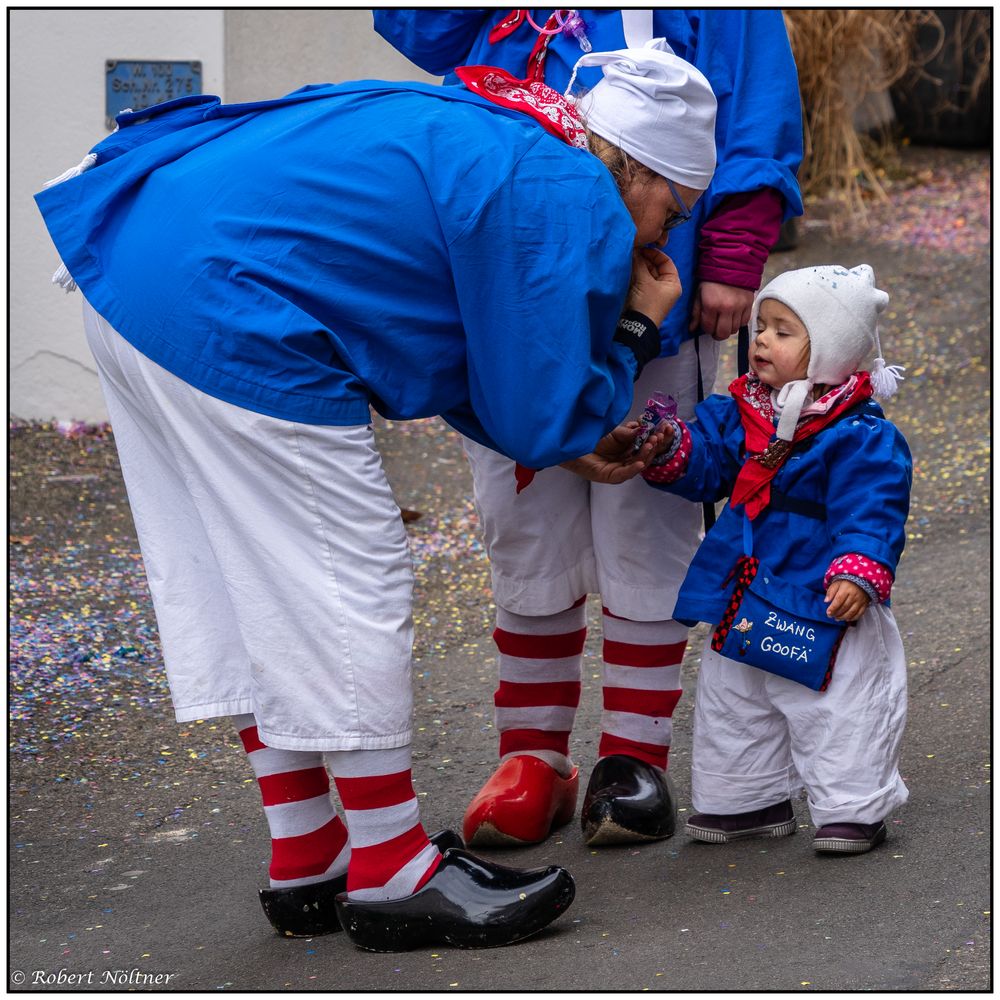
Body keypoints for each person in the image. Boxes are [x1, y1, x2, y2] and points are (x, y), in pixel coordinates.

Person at [33, 42, 712, 950]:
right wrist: (635, 329)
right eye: (676, 204)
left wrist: (563, 434)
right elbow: (544, 414)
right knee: (345, 578)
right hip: (233, 312)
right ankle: (392, 870)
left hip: (138, 272)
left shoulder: (499, 120)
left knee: (244, 582)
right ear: (638, 165)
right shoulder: (568, 188)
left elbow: (480, 360)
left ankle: (309, 856)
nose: (666, 233)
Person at [374, 8, 804, 848]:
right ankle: (530, 757)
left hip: (655, 274)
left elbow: (757, 101)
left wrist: (734, 253)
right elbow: (417, 27)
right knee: (523, 518)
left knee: (650, 504)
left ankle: (630, 760)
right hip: (511, 281)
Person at [641, 264, 910, 854]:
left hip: (822, 594)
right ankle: (743, 797)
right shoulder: (745, 411)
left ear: (832, 349)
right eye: (761, 326)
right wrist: (674, 447)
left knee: (838, 702)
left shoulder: (859, 434)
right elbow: (709, 460)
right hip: (748, 587)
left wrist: (859, 570)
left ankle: (851, 804)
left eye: (783, 331)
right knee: (734, 698)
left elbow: (872, 506)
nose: (760, 340)